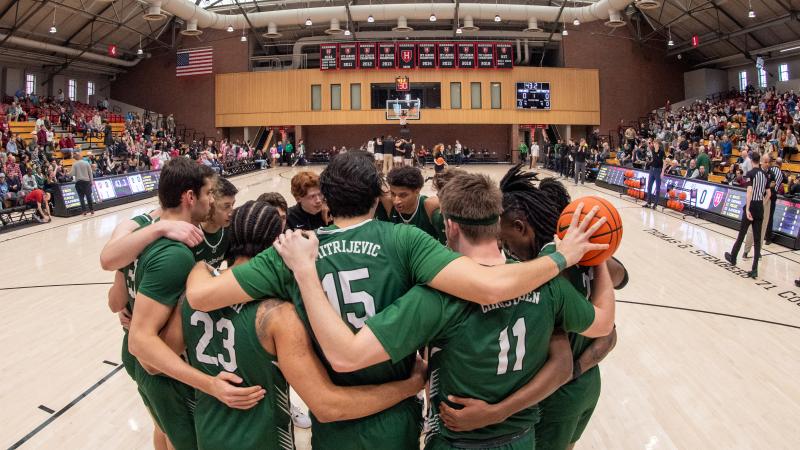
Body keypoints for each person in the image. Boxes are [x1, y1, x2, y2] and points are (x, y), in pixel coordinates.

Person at [185, 151, 607, 450]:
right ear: (378, 197)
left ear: (326, 200)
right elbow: (489, 283)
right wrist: (564, 257)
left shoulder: (293, 251)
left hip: (334, 422)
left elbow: (201, 297)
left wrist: (197, 259)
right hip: (397, 416)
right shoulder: (406, 241)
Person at [173, 200, 427, 450]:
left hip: (208, 433)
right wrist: (410, 386)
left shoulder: (192, 294)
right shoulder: (277, 314)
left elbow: (157, 359)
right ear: (278, 243)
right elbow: (328, 405)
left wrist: (207, 383)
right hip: (263, 439)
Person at [126, 159, 260, 450]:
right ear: (190, 197)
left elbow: (117, 289)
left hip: (156, 364)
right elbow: (140, 341)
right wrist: (209, 384)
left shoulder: (153, 235)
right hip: (162, 369)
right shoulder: (175, 254)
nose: (212, 201)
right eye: (209, 193)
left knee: (164, 432)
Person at [495, 171, 625, 450]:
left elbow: (560, 361)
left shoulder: (545, 275)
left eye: (505, 241)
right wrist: (600, 253)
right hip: (587, 383)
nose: (506, 250)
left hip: (557, 394)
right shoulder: (588, 257)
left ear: (520, 227)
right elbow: (612, 329)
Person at [725, 152, 768, 278]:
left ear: (751, 161)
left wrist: (748, 209)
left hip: (752, 206)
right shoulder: (764, 174)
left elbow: (749, 192)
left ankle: (733, 257)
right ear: (759, 161)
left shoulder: (750, 174)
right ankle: (754, 269)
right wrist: (761, 204)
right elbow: (768, 193)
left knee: (742, 234)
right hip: (760, 206)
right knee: (757, 239)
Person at [376, 165, 445, 243]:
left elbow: (447, 202)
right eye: (393, 194)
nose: (396, 201)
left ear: (417, 191)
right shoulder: (388, 202)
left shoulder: (428, 205)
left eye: (403, 195)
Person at [195, 177, 238, 268]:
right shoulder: (192, 232)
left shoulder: (231, 229)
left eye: (232, 205)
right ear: (210, 203)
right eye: (226, 206)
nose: (231, 213)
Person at [743, 154, 773, 259]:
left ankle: (758, 251)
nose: (767, 164)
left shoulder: (772, 173)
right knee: (751, 228)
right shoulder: (757, 173)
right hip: (756, 201)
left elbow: (772, 190)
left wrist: (764, 203)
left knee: (763, 228)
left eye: (768, 162)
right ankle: (746, 251)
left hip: (766, 202)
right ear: (761, 162)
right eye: (765, 161)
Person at [643, 140, 666, 209]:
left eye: (656, 143)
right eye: (654, 143)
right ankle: (648, 202)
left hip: (658, 170)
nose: (654, 144)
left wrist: (662, 172)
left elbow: (664, 162)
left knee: (658, 188)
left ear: (659, 144)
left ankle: (655, 204)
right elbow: (653, 159)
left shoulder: (662, 152)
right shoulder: (653, 150)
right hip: (652, 170)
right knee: (649, 186)